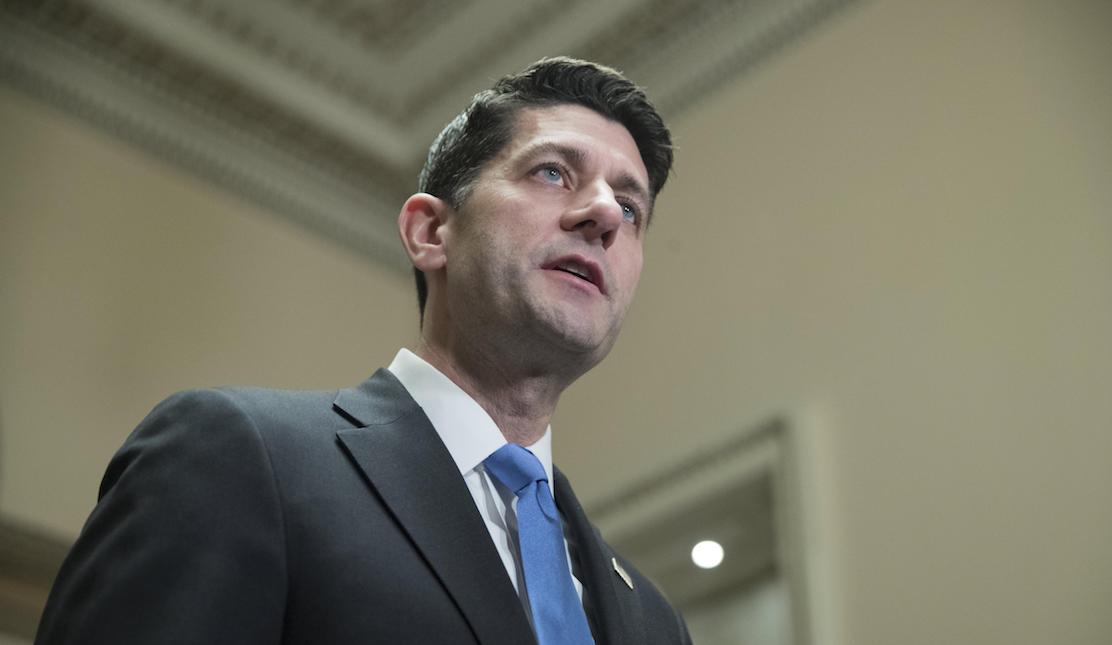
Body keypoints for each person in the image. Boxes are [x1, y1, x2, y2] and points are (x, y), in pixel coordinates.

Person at [36, 57, 691, 644]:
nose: (603, 212)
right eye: (553, 172)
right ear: (430, 230)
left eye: (630, 208)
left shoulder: (654, 621)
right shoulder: (237, 456)